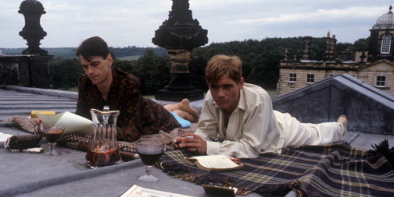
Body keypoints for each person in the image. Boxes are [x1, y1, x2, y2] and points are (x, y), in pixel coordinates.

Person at [174, 54, 347, 158]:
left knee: (317, 133)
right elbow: (206, 131)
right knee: (315, 131)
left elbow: (251, 148)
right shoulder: (211, 96)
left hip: (282, 131)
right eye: (214, 86)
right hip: (262, 122)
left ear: (240, 83)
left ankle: (340, 125)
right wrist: (192, 141)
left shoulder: (259, 99)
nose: (220, 94)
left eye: (227, 86)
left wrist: (208, 147)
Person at [75, 36, 199, 142]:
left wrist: (97, 131)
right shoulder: (84, 82)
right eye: (85, 67)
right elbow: (81, 120)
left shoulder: (128, 83)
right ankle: (179, 105)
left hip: (151, 117)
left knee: (179, 120)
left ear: (109, 60)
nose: (90, 71)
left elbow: (131, 133)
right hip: (138, 108)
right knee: (159, 107)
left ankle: (183, 110)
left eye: (95, 64)